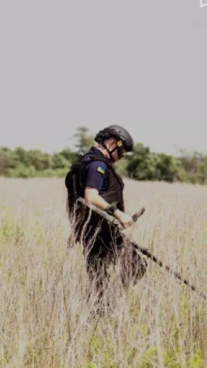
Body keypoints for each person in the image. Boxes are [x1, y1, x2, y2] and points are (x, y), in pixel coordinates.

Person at [64, 124, 147, 306]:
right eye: (122, 151)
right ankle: (108, 303)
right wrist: (119, 214)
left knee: (98, 284)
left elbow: (76, 202)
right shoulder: (97, 165)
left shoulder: (82, 163)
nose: (121, 156)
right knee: (137, 266)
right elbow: (90, 196)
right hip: (101, 234)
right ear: (111, 143)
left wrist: (76, 230)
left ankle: (99, 311)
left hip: (89, 233)